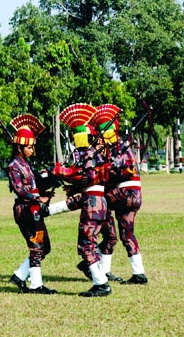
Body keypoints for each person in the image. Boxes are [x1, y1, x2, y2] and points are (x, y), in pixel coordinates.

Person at [52, 103, 113, 297]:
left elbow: (87, 177)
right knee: (90, 242)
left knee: (86, 244)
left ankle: (101, 283)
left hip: (92, 202)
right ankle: (100, 279)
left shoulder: (88, 153)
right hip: (99, 200)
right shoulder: (100, 154)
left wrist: (68, 176)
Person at [95, 104, 148, 285]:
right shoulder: (121, 148)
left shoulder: (120, 149)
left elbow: (116, 172)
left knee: (98, 202)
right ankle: (139, 273)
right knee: (127, 234)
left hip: (125, 193)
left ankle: (99, 261)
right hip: (134, 196)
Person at [5, 114, 56, 294]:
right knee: (36, 246)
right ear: (19, 147)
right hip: (25, 210)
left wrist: (46, 190)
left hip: (33, 209)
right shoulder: (13, 166)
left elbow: (34, 185)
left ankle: (19, 276)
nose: (32, 150)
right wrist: (37, 198)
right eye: (29, 147)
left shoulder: (26, 165)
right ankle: (36, 285)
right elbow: (20, 190)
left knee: (45, 247)